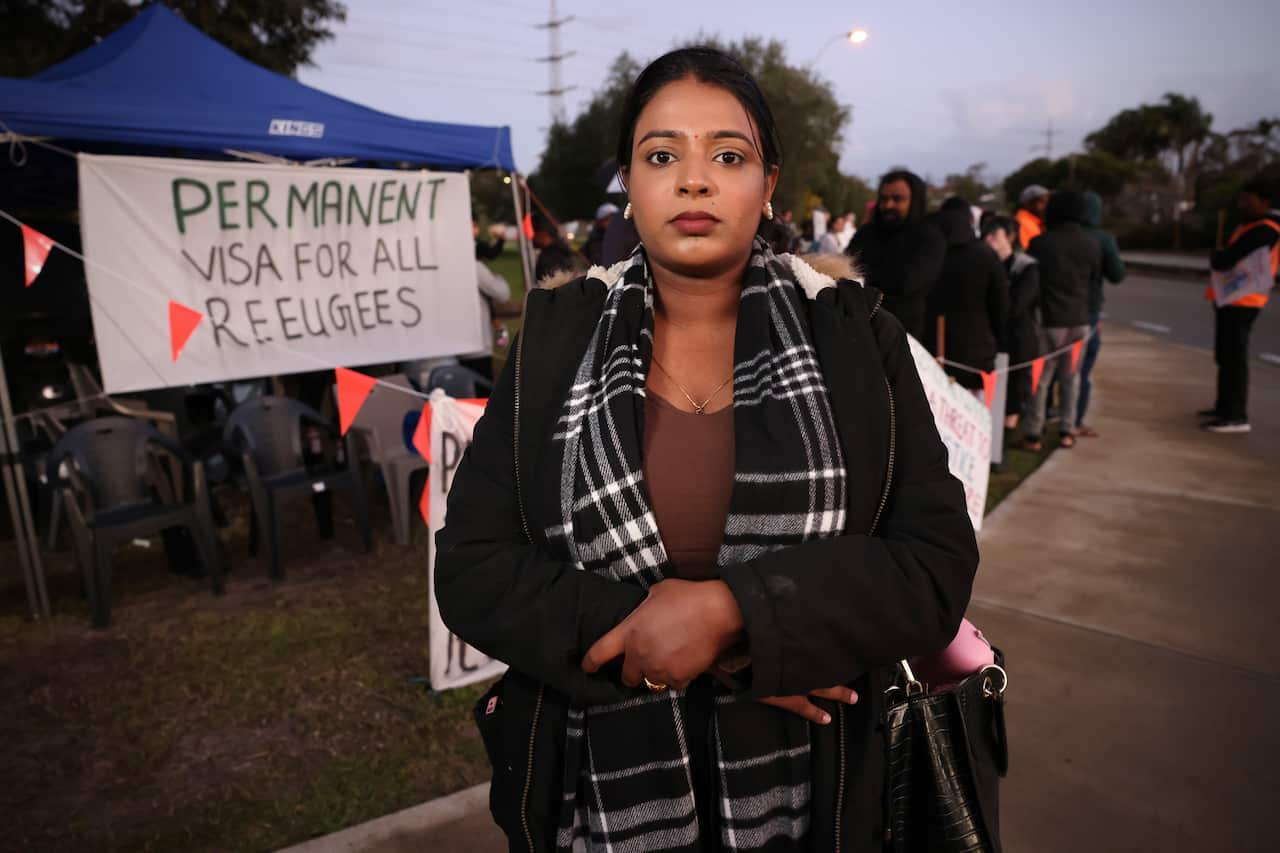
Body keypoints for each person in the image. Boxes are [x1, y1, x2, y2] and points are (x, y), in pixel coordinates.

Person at [435, 46, 978, 852]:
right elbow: (472, 568)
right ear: (630, 182)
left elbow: (934, 564)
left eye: (728, 155)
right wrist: (685, 640)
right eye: (662, 155)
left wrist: (729, 611)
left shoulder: (857, 338)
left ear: (768, 187)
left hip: (819, 794)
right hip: (597, 797)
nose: (694, 180)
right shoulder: (555, 340)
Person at [1201, 177, 1280, 434]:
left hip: (1244, 300)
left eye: (1248, 199)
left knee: (1234, 358)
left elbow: (1226, 259)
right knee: (1225, 356)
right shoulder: (1250, 226)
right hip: (1230, 298)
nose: (1242, 203)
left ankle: (1236, 416)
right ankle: (1223, 407)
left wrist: (1218, 256)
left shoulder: (1266, 229)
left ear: (1265, 201)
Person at [1022, 191, 1100, 450]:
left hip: (1049, 320)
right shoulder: (1092, 244)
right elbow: (1094, 282)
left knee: (1041, 379)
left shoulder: (1040, 243)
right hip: (1079, 321)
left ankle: (1033, 433)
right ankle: (1068, 430)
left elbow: (1032, 283)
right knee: (1072, 378)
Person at [846, 168, 947, 340]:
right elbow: (846, 268)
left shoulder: (929, 237)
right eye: (884, 199)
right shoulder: (867, 234)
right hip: (861, 331)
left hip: (909, 336)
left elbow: (907, 282)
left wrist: (867, 275)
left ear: (914, 201)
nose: (888, 205)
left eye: (897, 199)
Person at [927, 202, 1010, 394]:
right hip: (976, 348)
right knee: (972, 413)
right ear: (971, 221)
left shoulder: (927, 252)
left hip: (931, 346)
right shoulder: (985, 254)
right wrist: (999, 337)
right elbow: (1000, 304)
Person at [1074, 192, 1126, 437]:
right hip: (1088, 313)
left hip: (1053, 312)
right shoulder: (1103, 240)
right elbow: (1117, 274)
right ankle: (1075, 420)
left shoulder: (1050, 235)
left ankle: (1051, 417)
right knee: (1082, 370)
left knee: (1052, 372)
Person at [983, 216, 1041, 428]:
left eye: (995, 235)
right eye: (986, 235)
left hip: (1018, 339)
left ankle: (1008, 431)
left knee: (1015, 389)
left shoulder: (1026, 266)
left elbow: (1017, 305)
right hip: (993, 339)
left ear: (1011, 237)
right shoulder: (984, 263)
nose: (989, 240)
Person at [1015, 184, 1049, 249]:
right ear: (1028, 204)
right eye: (1043, 202)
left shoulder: (1037, 221)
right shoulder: (1022, 223)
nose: (1046, 206)